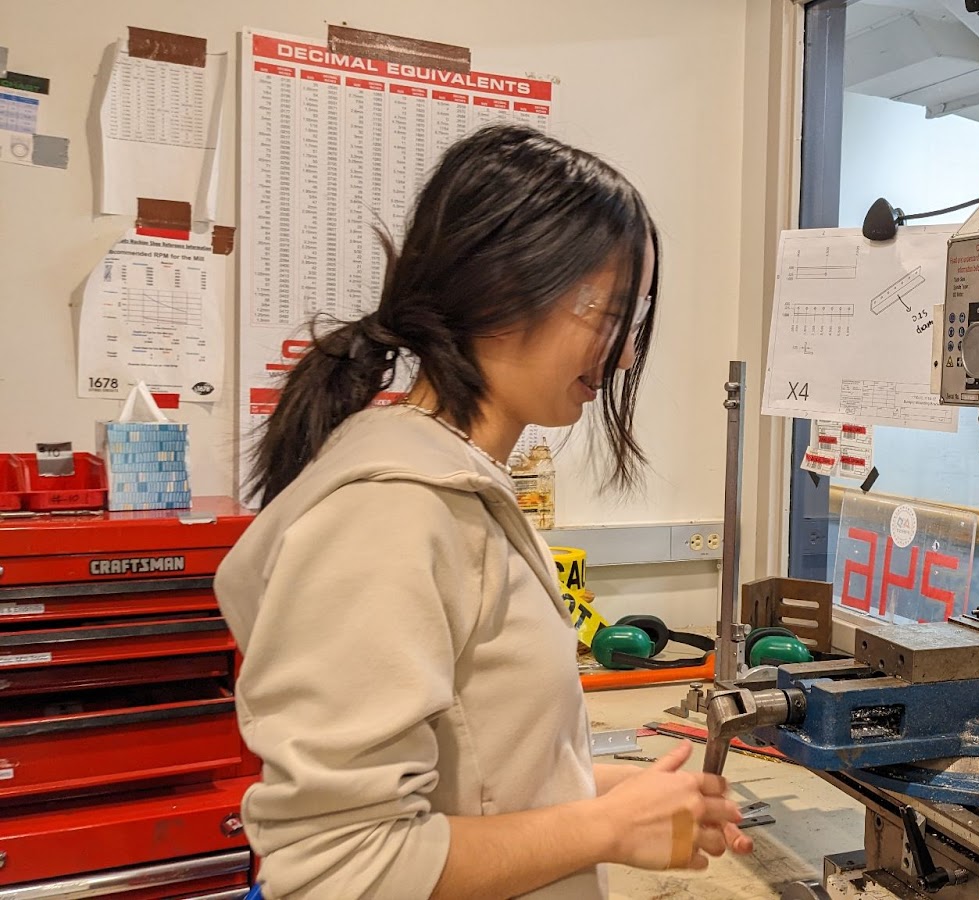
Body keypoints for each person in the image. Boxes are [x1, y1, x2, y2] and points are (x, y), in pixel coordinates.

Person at [216, 125, 752, 900]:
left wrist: (606, 790)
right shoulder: (390, 514)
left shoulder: (459, 484)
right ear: (507, 287)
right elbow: (340, 867)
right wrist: (605, 828)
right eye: (611, 317)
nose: (626, 354)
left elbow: (471, 773)